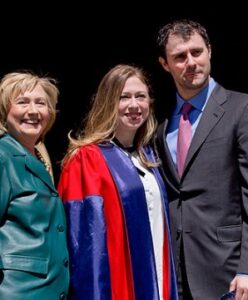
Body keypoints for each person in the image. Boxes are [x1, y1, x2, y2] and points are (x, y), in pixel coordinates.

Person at [58, 64, 178, 300]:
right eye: (124, 97)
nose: (134, 105)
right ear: (108, 102)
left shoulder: (148, 157)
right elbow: (85, 245)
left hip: (158, 280)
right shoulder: (86, 159)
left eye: (140, 96)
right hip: (116, 288)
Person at [155, 18, 248, 300]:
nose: (191, 62)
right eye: (179, 57)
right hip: (173, 272)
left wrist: (247, 269)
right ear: (165, 64)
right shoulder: (158, 123)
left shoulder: (240, 108)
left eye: (197, 52)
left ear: (210, 50)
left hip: (228, 271)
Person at [0, 71, 70, 300]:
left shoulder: (37, 157)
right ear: (5, 110)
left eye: (41, 103)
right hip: (18, 291)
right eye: (22, 102)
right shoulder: (3, 157)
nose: (33, 111)